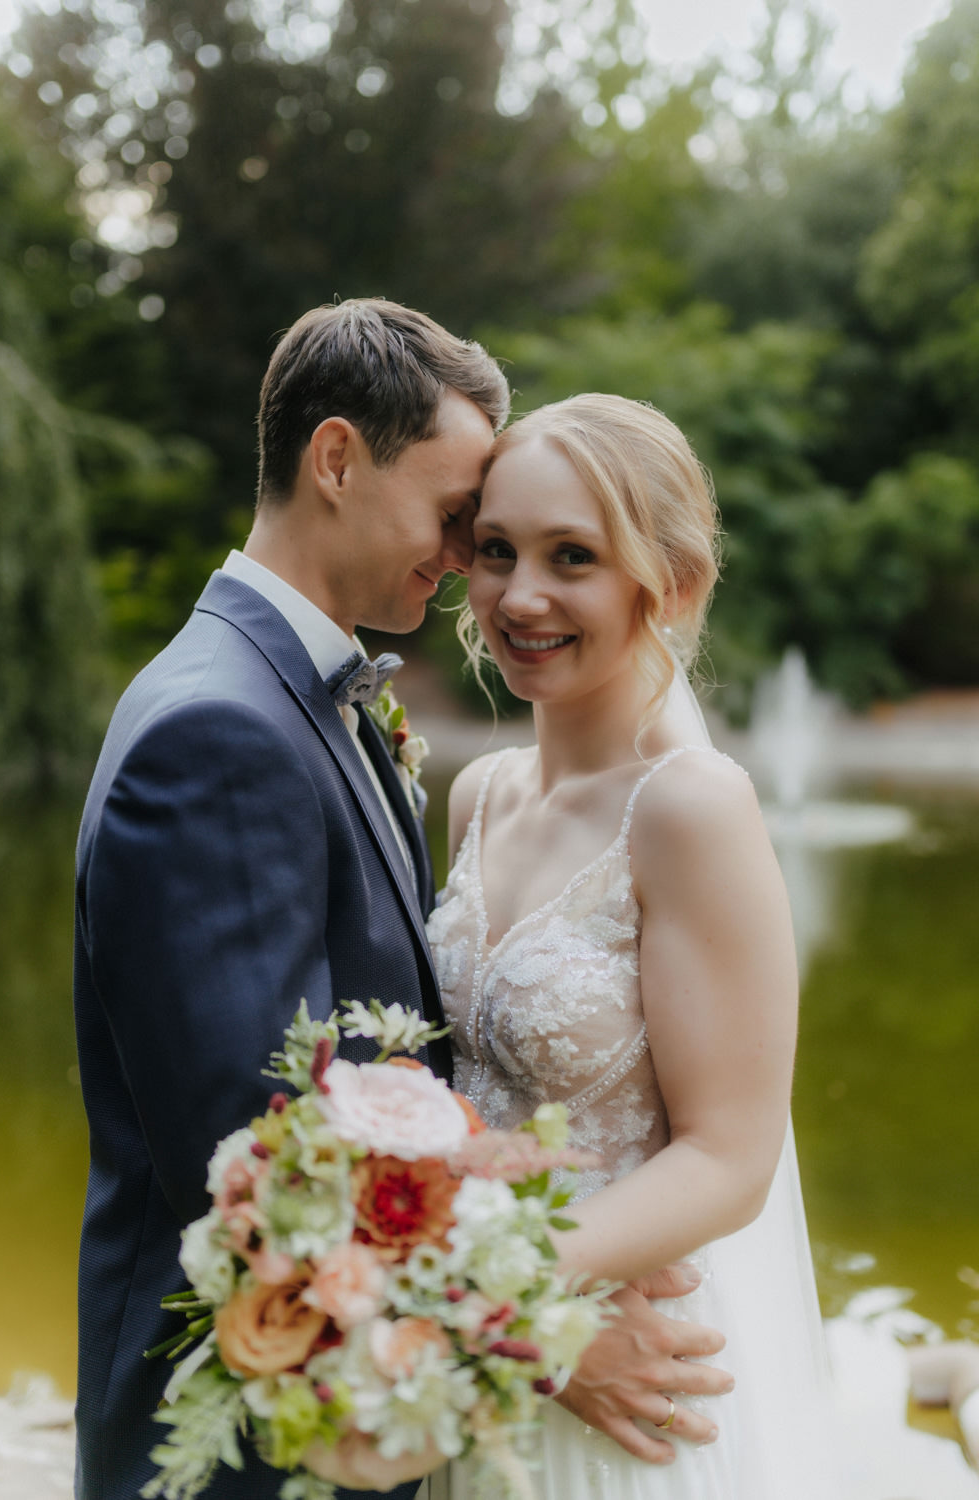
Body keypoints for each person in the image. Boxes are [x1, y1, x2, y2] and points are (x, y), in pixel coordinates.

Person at [72, 304, 728, 1500]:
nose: (468, 559)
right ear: (336, 459)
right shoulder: (221, 730)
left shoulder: (304, 697)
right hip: (258, 1430)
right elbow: (259, 1150)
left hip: (392, 1401)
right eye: (460, 518)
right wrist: (534, 1337)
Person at [425, 393, 838, 1498]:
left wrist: (486, 1284)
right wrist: (478, 1311)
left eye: (573, 557)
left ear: (673, 583)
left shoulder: (690, 809)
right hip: (493, 1365)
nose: (521, 595)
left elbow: (730, 1157)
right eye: (498, 550)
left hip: (632, 1377)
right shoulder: (476, 796)